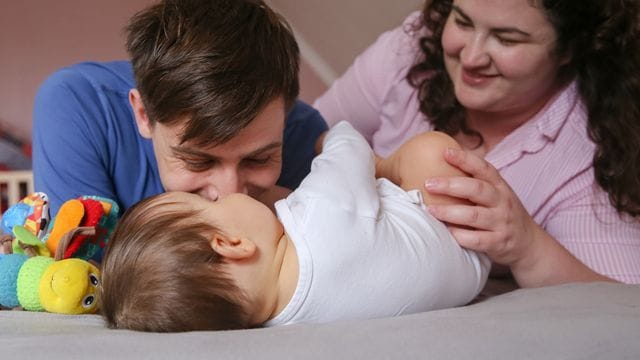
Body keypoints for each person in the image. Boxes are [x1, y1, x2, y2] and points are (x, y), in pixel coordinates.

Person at [313, 0, 640, 287]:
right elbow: (308, 136)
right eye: (462, 22)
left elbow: (620, 310)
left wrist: (528, 248)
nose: (471, 57)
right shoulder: (411, 49)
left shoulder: (591, 152)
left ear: (570, 47)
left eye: (506, 39)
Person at [100, 122, 490, 332]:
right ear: (232, 243)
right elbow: (349, 144)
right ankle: (388, 172)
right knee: (429, 149)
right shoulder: (317, 213)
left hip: (455, 281)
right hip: (461, 239)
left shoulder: (275, 323)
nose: (227, 192)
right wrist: (330, 139)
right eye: (207, 204)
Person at [32, 0, 327, 215]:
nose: (230, 195)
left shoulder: (306, 134)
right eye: (198, 162)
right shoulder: (77, 106)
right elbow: (80, 279)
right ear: (144, 115)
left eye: (259, 160)